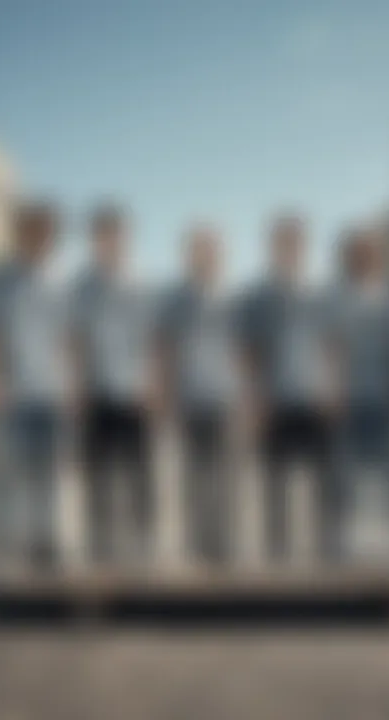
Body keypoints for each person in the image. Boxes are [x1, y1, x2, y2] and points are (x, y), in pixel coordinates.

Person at [239, 214, 341, 564]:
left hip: (315, 398)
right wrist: (254, 401)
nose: (289, 249)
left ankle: (326, 550)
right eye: (282, 242)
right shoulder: (257, 297)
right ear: (272, 247)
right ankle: (278, 552)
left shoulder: (321, 294)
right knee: (275, 483)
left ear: (304, 246)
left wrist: (332, 388)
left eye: (295, 242)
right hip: (275, 401)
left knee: (323, 482)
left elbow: (332, 346)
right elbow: (250, 354)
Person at [0, 201, 69, 570]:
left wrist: (71, 387)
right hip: (12, 392)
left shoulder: (60, 283)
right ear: (21, 234)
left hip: (50, 392)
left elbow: (69, 340)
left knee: (46, 470)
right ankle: (3, 544)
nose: (41, 239)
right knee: (7, 470)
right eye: (34, 231)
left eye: (47, 233)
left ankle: (43, 542)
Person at [71, 205, 159, 565]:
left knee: (139, 473)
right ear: (94, 241)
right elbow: (74, 342)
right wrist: (76, 388)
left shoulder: (141, 286)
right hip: (96, 393)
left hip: (134, 395)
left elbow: (153, 341)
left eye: (117, 235)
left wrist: (152, 384)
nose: (110, 243)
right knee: (98, 473)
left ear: (127, 240)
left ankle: (142, 544)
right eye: (103, 236)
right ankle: (100, 544)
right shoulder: (81, 288)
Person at [157, 225, 240, 565]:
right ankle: (197, 546)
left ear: (220, 256)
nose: (204, 257)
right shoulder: (175, 302)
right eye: (197, 251)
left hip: (225, 400)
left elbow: (245, 354)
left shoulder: (234, 301)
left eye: (210, 250)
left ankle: (223, 545)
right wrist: (165, 395)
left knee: (225, 478)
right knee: (193, 477)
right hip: (190, 400)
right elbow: (165, 351)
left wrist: (247, 400)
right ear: (189, 257)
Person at [329, 228, 389, 559]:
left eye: (370, 251)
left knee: (382, 467)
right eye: (358, 252)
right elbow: (333, 347)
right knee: (347, 469)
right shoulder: (339, 297)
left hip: (383, 395)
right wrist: (335, 390)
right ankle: (347, 539)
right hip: (350, 395)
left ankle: (382, 537)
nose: (364, 258)